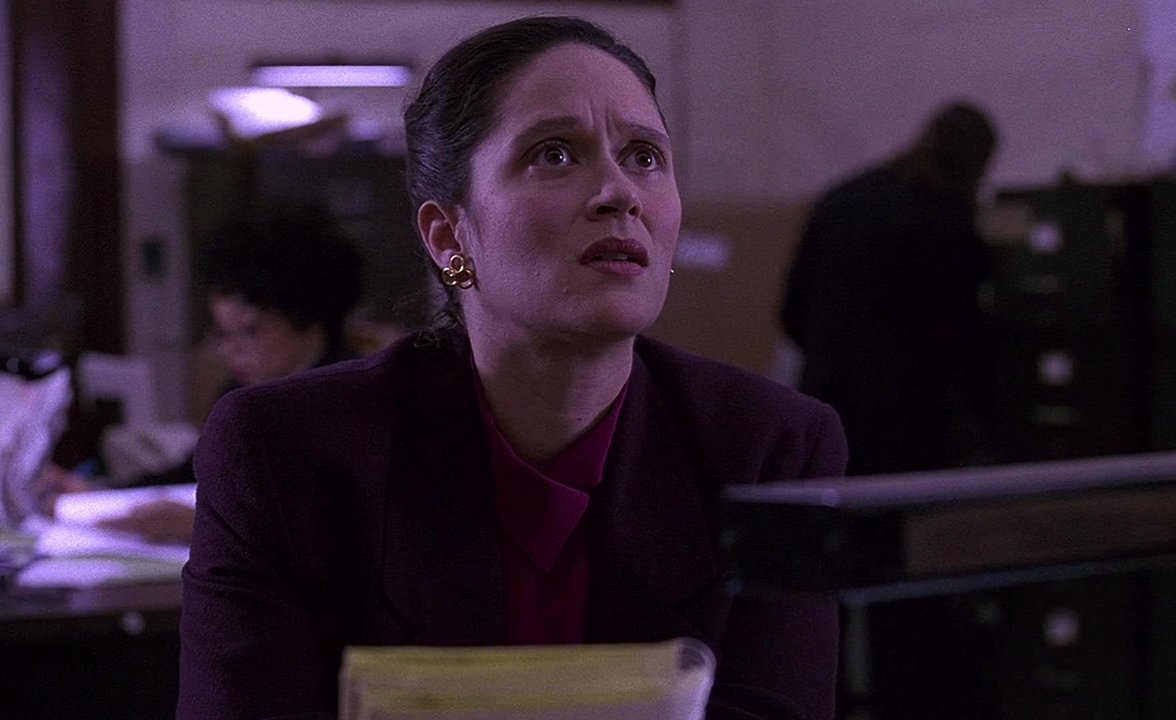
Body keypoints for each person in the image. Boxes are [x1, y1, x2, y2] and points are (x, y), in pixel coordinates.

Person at [178, 15, 848, 720]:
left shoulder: (772, 449)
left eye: (644, 156)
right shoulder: (286, 453)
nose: (619, 192)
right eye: (554, 154)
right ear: (449, 236)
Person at [36, 206, 366, 542]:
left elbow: (339, 522)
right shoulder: (240, 393)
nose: (229, 350)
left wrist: (202, 522)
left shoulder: (352, 400)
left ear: (310, 320)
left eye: (249, 332)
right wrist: (97, 493)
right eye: (222, 333)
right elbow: (194, 472)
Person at [782, 102, 998, 475]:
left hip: (826, 406)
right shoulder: (945, 221)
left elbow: (793, 310)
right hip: (905, 426)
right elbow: (959, 335)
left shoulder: (841, 199)